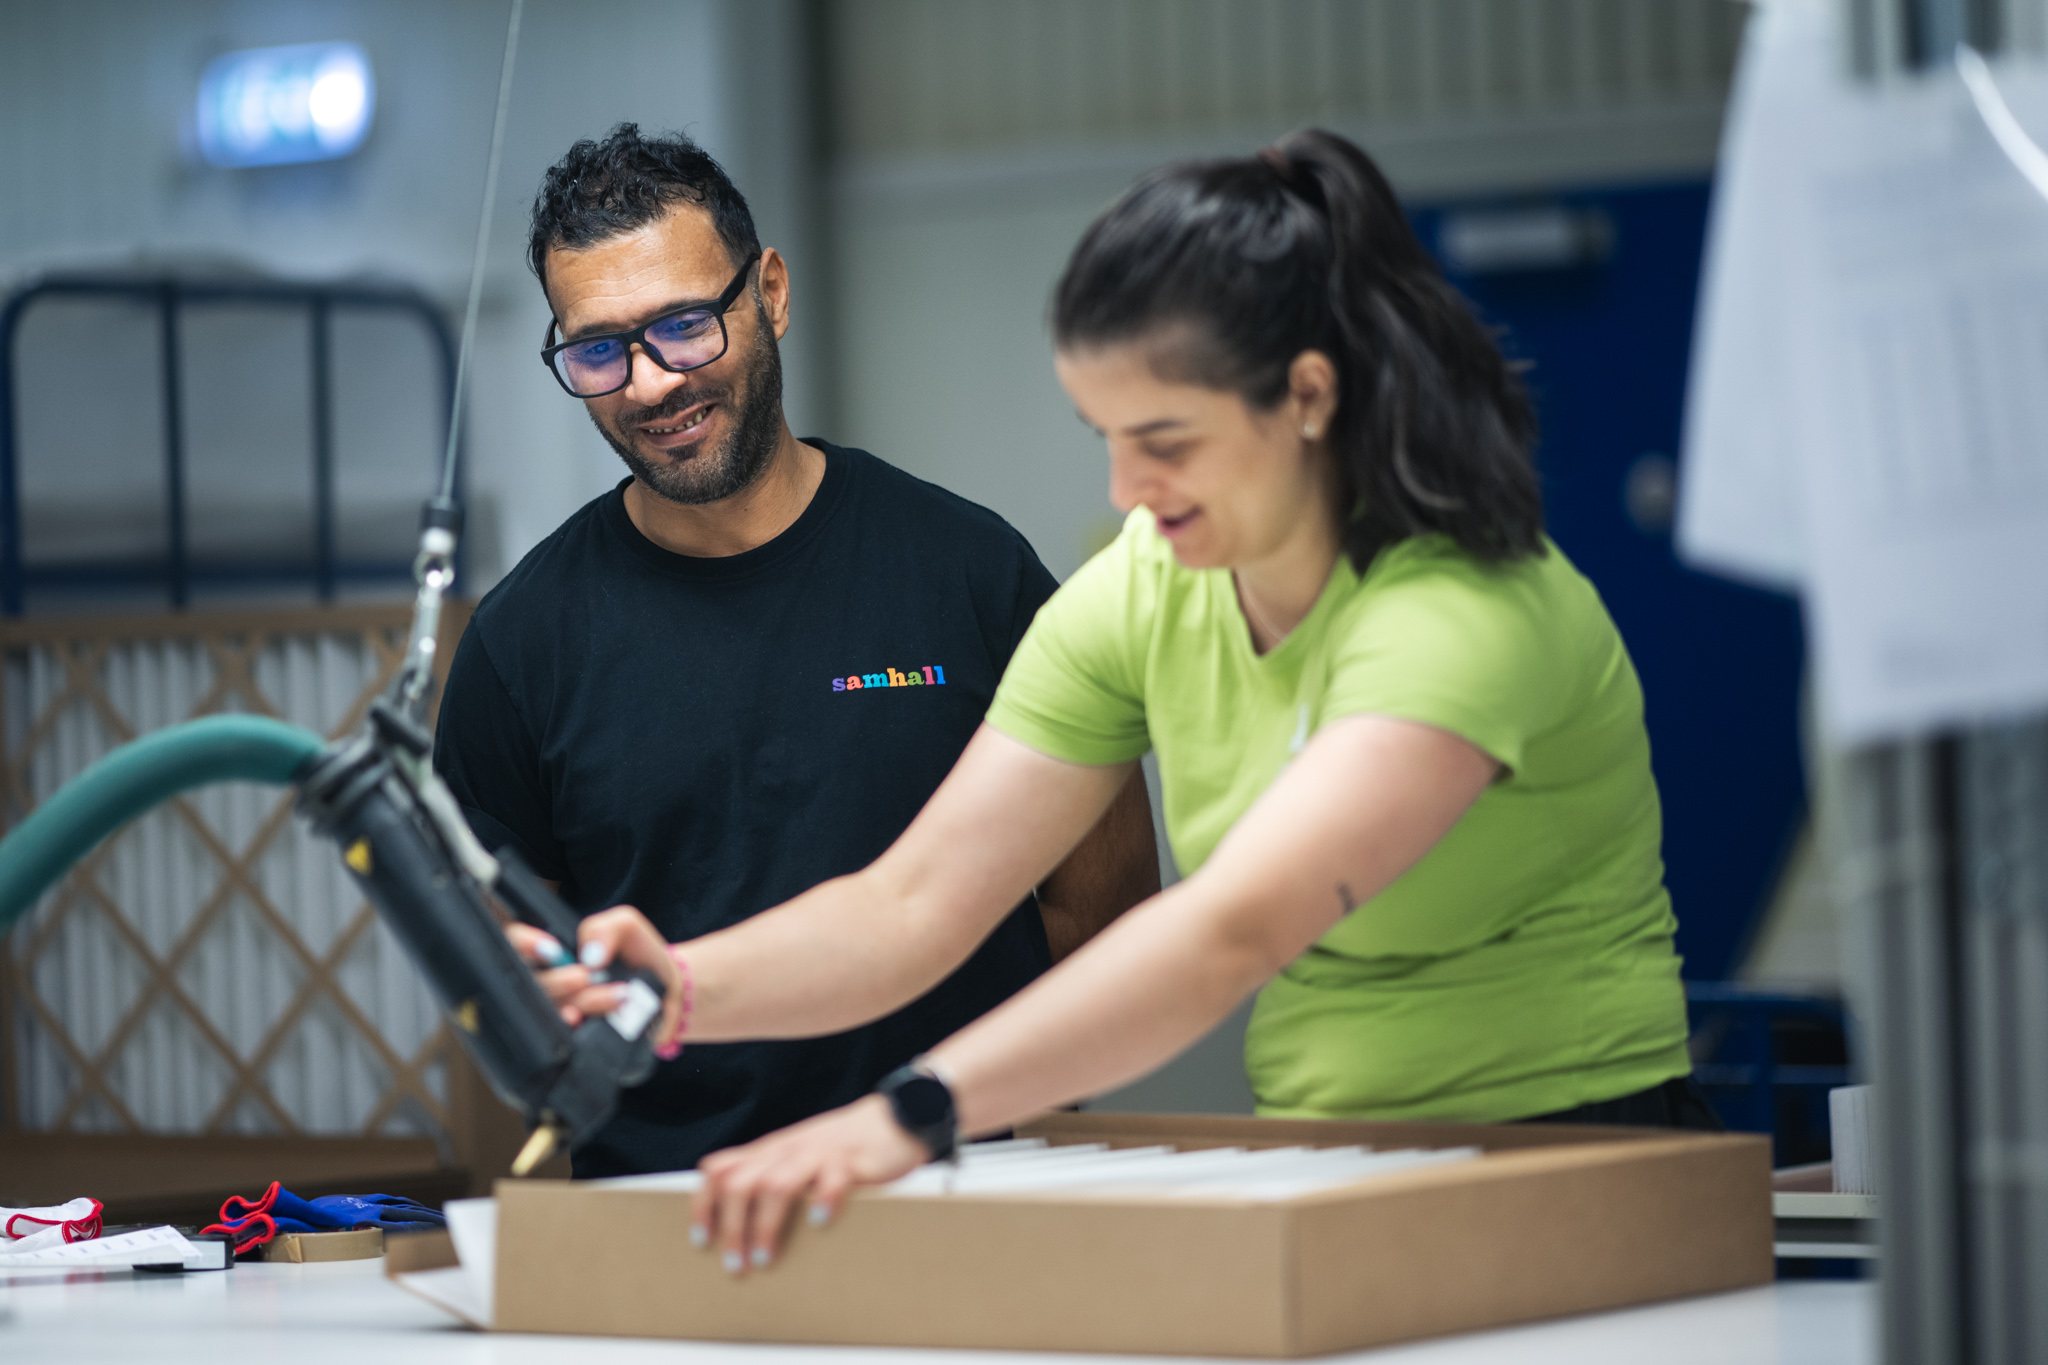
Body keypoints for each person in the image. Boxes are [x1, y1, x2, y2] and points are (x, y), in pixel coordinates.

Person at [527, 127, 1712, 1268]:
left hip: (1573, 1160)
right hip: (1332, 1163)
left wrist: (910, 1113)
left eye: (1166, 440)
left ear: (1306, 396)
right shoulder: (1154, 584)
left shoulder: (1458, 612)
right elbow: (913, 901)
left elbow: (1229, 931)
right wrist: (678, 990)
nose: (1125, 487)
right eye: (1102, 434)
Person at [435, 124, 1159, 1178]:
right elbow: (518, 996)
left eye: (685, 327)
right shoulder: (520, 647)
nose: (648, 383)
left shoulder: (965, 570)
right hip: (673, 1205)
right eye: (597, 351)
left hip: (962, 1182)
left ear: (768, 292)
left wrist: (995, 1120)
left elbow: (1102, 908)